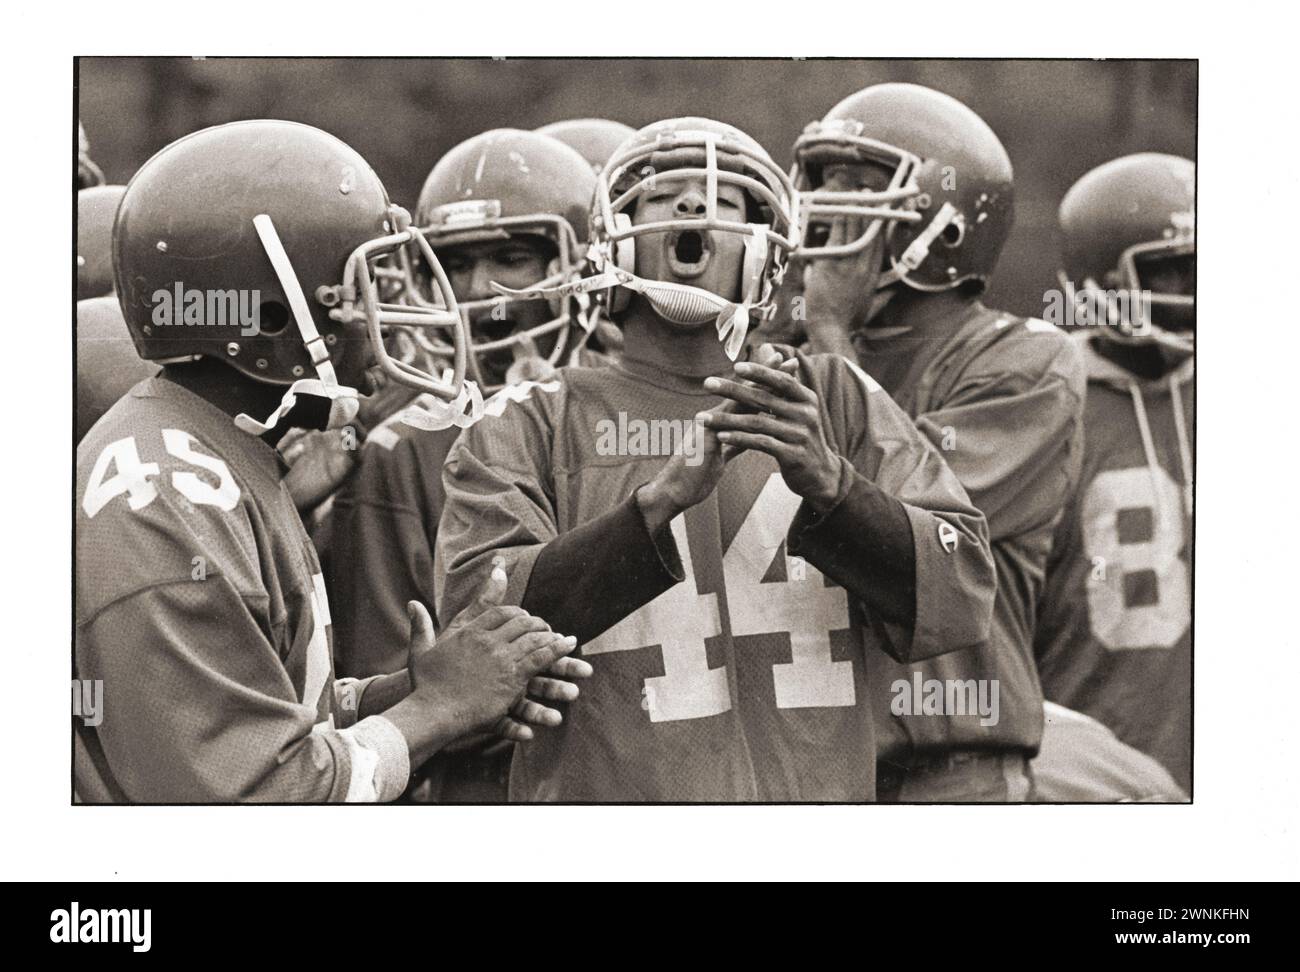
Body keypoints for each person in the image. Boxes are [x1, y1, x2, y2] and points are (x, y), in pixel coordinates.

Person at [435, 116, 997, 802]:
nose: (693, 208)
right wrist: (653, 509)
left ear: (765, 250)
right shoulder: (530, 419)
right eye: (664, 194)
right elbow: (474, 634)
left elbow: (962, 592)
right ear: (616, 236)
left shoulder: (837, 397)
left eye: (724, 201)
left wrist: (835, 488)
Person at [75, 119, 589, 802]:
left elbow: (280, 718)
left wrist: (425, 689)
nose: (392, 307)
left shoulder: (220, 451)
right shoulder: (163, 495)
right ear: (273, 311)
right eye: (365, 280)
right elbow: (249, 801)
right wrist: (432, 714)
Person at [793, 82, 1086, 801]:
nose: (829, 212)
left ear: (943, 226)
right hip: (812, 775)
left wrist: (831, 335)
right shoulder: (783, 355)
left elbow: (911, 516)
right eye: (824, 186)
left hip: (951, 780)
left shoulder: (1025, 364)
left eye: (859, 188)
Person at [327, 129, 601, 801]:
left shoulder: (629, 422)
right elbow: (388, 689)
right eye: (454, 264)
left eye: (512, 258)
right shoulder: (404, 446)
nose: (479, 289)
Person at [1033, 153, 1195, 796]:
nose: (1191, 291)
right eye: (1172, 272)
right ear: (1100, 279)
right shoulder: (1039, 403)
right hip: (1088, 781)